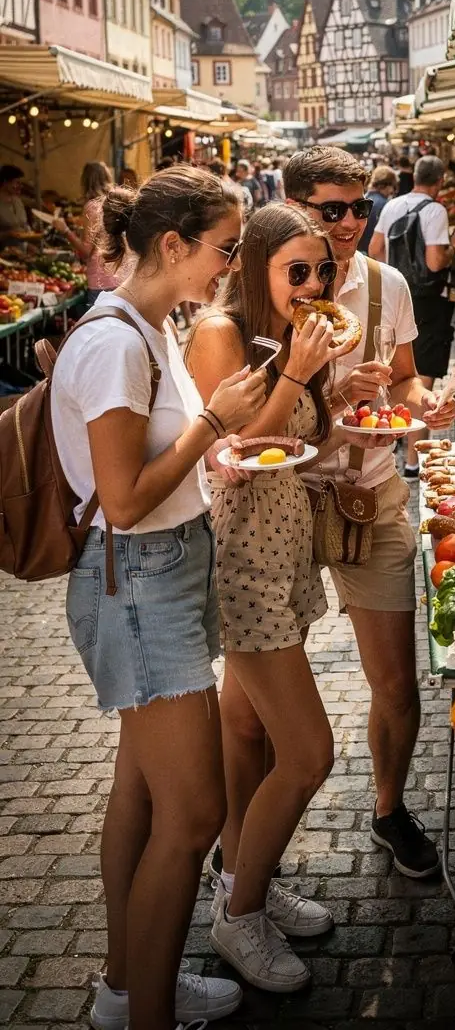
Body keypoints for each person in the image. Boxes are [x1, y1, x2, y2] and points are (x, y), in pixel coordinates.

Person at [50, 167, 269, 1030]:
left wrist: (209, 447)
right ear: (172, 245)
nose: (229, 264)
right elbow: (124, 497)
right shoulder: (114, 343)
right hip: (136, 580)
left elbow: (152, 470)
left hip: (160, 571)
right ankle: (146, 1012)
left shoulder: (148, 324)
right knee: (195, 812)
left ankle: (128, 985)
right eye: (223, 248)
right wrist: (213, 425)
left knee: (141, 797)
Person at [284, 147, 455, 876]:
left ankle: (389, 809)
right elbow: (244, 423)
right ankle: (253, 841)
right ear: (296, 208)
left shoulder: (387, 285)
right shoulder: (259, 291)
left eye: (361, 208)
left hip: (374, 488)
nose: (351, 221)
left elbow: (409, 383)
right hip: (282, 500)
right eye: (333, 209)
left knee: (397, 682)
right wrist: (333, 394)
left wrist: (426, 404)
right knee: (263, 700)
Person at [186, 205, 343, 990]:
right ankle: (238, 917)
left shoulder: (297, 340)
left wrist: (357, 403)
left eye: (323, 271)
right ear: (255, 267)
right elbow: (244, 451)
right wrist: (296, 374)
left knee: (245, 728)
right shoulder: (220, 334)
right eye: (298, 271)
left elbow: (310, 447)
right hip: (242, 557)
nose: (314, 285)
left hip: (287, 547)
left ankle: (243, 872)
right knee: (309, 751)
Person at [369, 155, 455, 474]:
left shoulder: (393, 205)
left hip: (393, 294)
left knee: (396, 369)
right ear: (439, 183)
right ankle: (413, 460)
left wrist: (393, 275)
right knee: (420, 377)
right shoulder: (435, 210)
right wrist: (454, 248)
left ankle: (395, 435)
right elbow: (436, 261)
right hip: (426, 301)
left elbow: (375, 248)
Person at [54, 161, 122, 305]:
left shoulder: (92, 206)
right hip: (120, 276)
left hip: (101, 280)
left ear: (85, 181)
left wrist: (65, 230)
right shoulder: (115, 203)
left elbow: (86, 251)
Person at [359, 164, 397, 254]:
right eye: (394, 187)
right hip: (374, 256)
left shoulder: (363, 199)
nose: (393, 191)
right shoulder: (385, 205)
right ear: (386, 185)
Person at [0, 164, 35, 246]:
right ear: (5, 182)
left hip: (21, 250)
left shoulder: (18, 201)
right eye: (17, 183)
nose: (20, 186)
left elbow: (23, 225)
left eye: (21, 183)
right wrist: (8, 234)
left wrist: (29, 234)